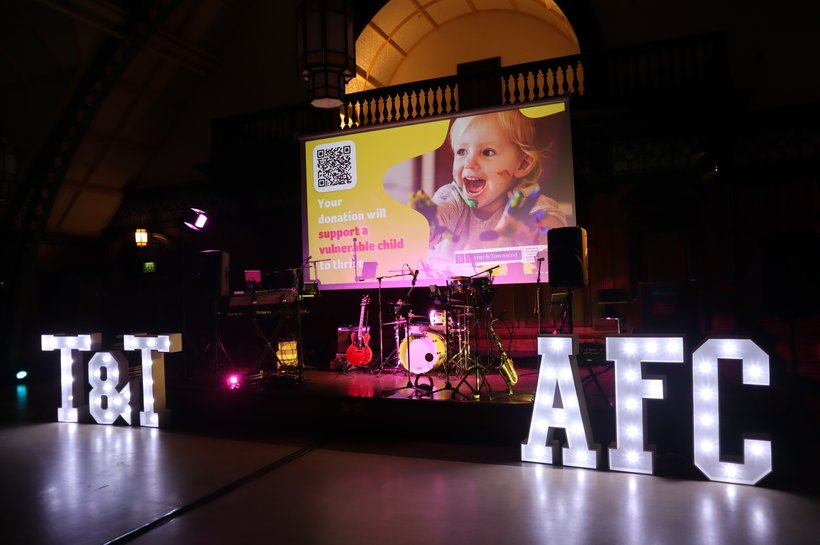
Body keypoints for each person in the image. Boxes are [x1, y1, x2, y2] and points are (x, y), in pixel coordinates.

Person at [412, 110, 567, 257]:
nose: (469, 163)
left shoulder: (524, 201)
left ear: (522, 164)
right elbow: (440, 210)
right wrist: (427, 226)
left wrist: (532, 231)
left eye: (488, 152)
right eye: (462, 152)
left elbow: (554, 227)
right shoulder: (453, 195)